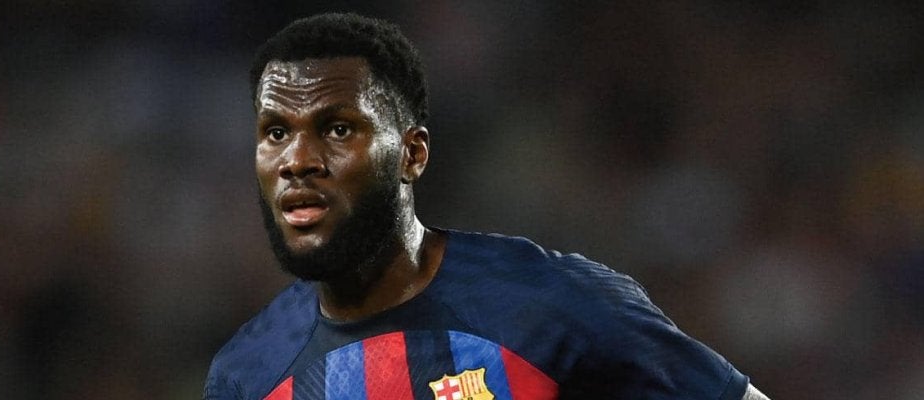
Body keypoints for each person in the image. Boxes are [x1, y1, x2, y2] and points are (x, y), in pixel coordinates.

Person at [204, 12, 770, 400]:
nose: (297, 160)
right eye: (275, 132)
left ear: (412, 154)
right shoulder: (246, 374)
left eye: (337, 129)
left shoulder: (555, 305)